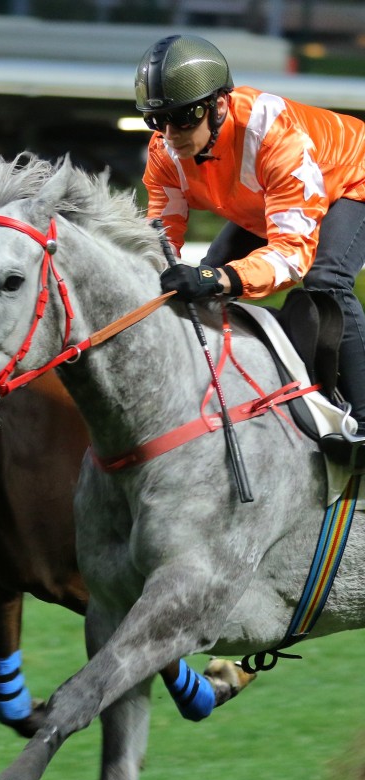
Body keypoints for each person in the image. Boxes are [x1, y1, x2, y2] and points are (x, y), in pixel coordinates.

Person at [137, 33, 365, 460]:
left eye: (183, 117)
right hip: (268, 197)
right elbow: (159, 243)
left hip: (353, 181)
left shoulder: (277, 137)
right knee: (203, 280)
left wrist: (218, 278)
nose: (170, 135)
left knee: (325, 279)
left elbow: (292, 257)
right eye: (157, 120)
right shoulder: (164, 153)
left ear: (219, 105)